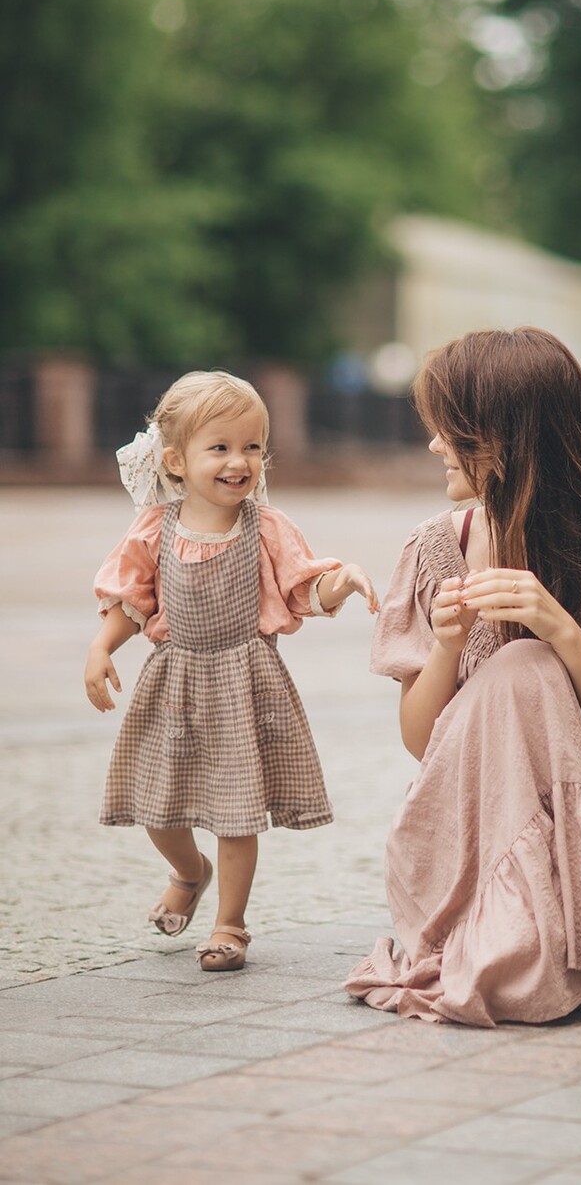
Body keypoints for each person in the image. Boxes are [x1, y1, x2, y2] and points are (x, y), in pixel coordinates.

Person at [345, 328, 581, 1025]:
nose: (434, 446)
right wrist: (450, 647)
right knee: (518, 664)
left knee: (528, 662)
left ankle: (539, 932)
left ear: (508, 439)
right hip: (455, 840)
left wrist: (563, 635)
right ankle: (499, 930)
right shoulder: (435, 549)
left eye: (452, 431)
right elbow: (423, 744)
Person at [85, 370, 379, 972]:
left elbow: (303, 587)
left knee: (236, 809)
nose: (238, 462)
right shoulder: (154, 530)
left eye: (251, 447)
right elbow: (132, 602)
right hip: (174, 684)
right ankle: (190, 872)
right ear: (176, 459)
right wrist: (102, 648)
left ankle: (230, 924)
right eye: (219, 447)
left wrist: (341, 579)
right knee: (158, 808)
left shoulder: (266, 527)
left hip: (245, 686)